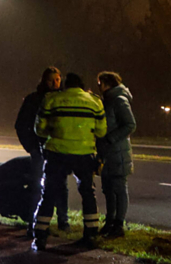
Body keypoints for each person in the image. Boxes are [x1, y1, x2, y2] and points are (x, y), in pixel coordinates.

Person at [31, 72, 107, 251]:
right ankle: (91, 234)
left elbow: (39, 129)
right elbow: (102, 131)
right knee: (88, 193)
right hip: (84, 154)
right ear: (81, 85)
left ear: (65, 85)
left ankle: (40, 235)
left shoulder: (52, 100)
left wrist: (53, 132)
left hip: (57, 154)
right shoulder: (95, 102)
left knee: (48, 194)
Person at [14, 67, 68, 236]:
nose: (55, 83)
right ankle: (34, 221)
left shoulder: (63, 99)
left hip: (59, 150)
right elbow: (21, 124)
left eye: (58, 79)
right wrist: (30, 146)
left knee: (61, 186)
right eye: (52, 80)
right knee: (38, 185)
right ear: (44, 81)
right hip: (40, 150)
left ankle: (63, 221)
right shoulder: (34, 99)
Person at [96, 71, 135, 239]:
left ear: (106, 83)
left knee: (119, 188)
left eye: (100, 83)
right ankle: (110, 221)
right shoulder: (108, 101)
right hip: (107, 153)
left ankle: (119, 224)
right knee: (108, 189)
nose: (99, 87)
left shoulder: (119, 100)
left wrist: (111, 138)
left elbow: (130, 124)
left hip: (118, 152)